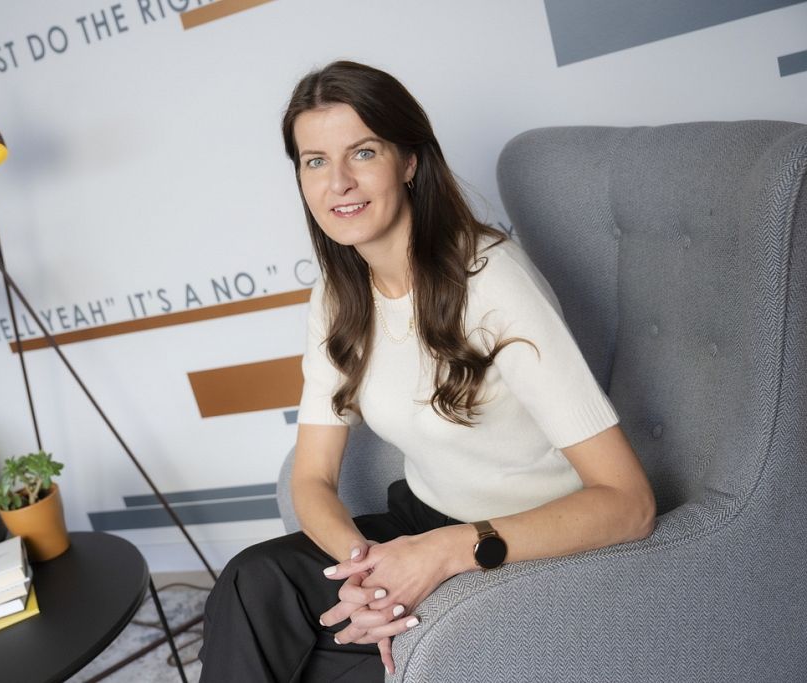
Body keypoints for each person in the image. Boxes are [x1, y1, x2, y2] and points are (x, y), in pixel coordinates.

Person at [198, 60, 655, 683]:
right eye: (315, 161)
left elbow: (629, 504)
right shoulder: (337, 296)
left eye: (363, 152)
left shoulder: (491, 280)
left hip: (531, 541)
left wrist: (442, 554)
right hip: (422, 520)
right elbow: (312, 477)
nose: (339, 183)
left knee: (326, 659)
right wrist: (366, 570)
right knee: (252, 584)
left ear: (409, 161)